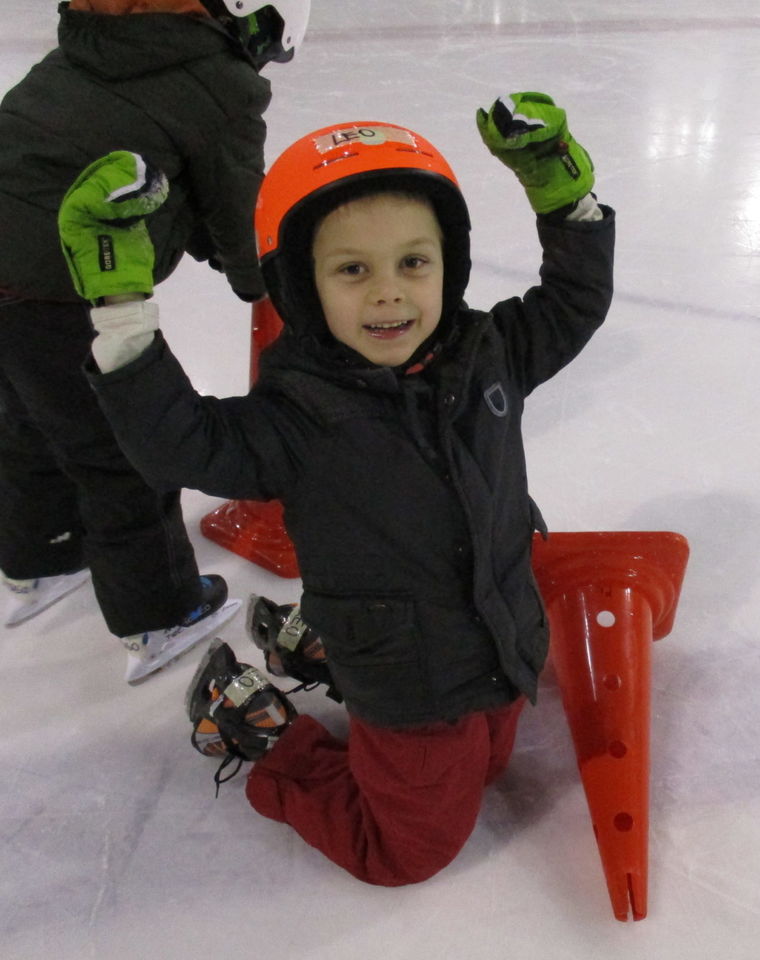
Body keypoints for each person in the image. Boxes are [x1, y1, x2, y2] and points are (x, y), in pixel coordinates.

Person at [60, 91, 615, 882]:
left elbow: (573, 300)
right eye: (353, 269)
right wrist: (121, 311)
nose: (389, 293)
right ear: (302, 285)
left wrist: (563, 193)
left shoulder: (487, 352)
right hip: (408, 677)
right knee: (406, 850)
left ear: (449, 265)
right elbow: (176, 439)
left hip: (503, 636)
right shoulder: (296, 418)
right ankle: (262, 733)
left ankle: (308, 645)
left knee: (490, 762)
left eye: (413, 263)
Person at [0, 0, 310, 682]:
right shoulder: (222, 83)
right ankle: (160, 612)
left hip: (11, 271)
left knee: (28, 422)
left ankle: (39, 558)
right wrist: (271, 286)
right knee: (123, 454)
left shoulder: (96, 41)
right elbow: (235, 210)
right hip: (60, 285)